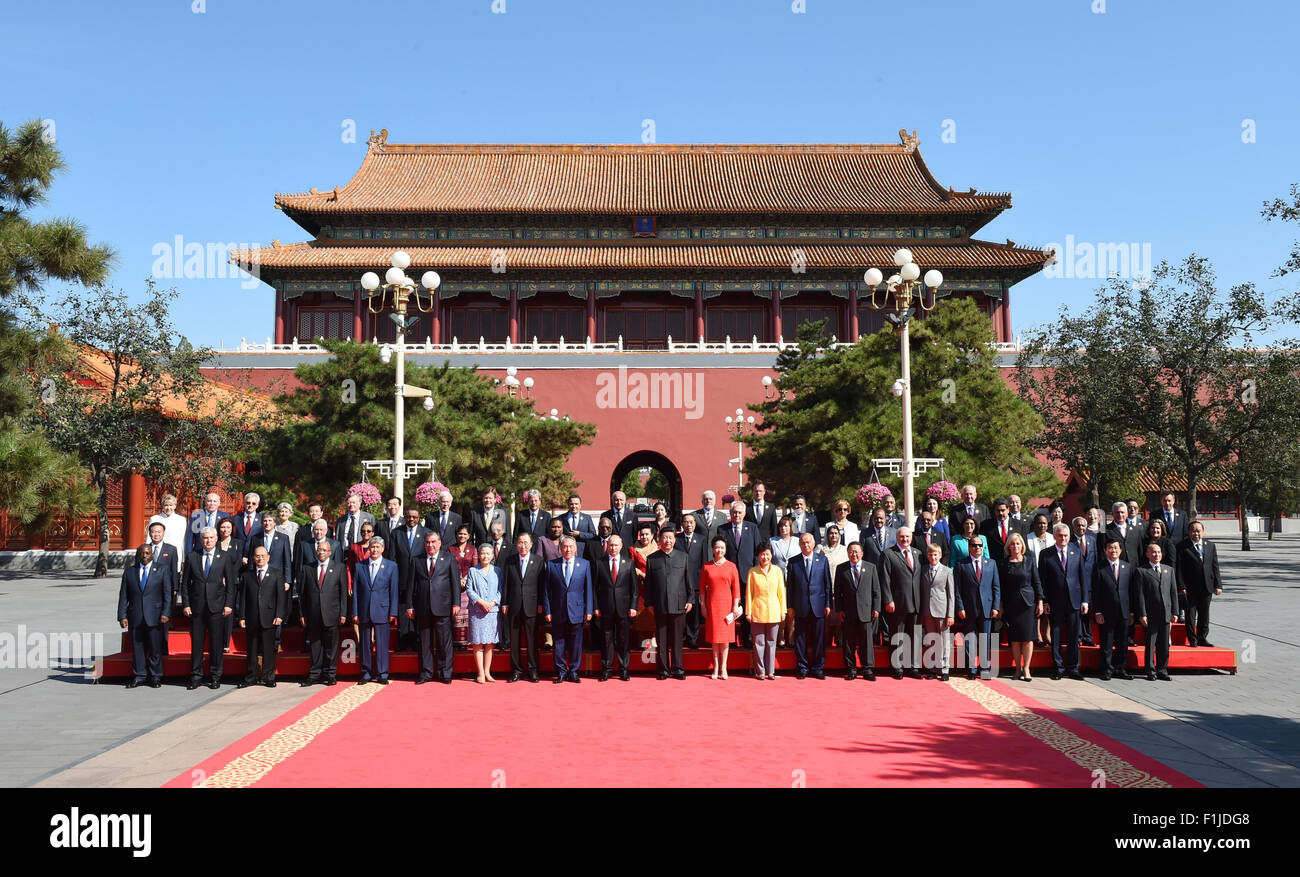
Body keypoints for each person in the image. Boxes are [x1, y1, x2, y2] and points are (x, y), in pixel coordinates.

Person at [180, 526, 234, 690]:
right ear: (200, 540)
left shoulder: (224, 557)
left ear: (216, 539)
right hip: (197, 607)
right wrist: (186, 603)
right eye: (205, 538)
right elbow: (185, 584)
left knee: (216, 645)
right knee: (197, 644)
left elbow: (231, 584)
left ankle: (215, 676)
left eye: (211, 538)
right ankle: (196, 676)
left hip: (217, 607)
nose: (208, 540)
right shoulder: (192, 557)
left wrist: (229, 604)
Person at [1038, 523, 1088, 680]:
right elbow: (1042, 580)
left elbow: (1083, 577)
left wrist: (1085, 600)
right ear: (1054, 536)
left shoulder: (1076, 551)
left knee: (1074, 636)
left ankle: (1073, 668)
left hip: (1074, 601)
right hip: (1055, 602)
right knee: (1056, 635)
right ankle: (1059, 668)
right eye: (1060, 535)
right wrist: (1045, 601)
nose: (1063, 538)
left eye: (1066, 535)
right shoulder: (1046, 554)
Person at [406, 532, 458, 684]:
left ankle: (445, 673)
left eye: (434, 542)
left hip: (443, 606)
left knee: (444, 642)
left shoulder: (449, 559)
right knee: (424, 642)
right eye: (428, 542)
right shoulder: (417, 560)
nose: (431, 545)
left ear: (440, 543)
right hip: (423, 607)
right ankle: (426, 673)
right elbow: (410, 586)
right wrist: (409, 605)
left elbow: (455, 583)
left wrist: (456, 603)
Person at [643, 528, 695, 679]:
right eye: (664, 538)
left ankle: (678, 669)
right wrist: (649, 603)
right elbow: (648, 585)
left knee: (677, 639)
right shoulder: (652, 559)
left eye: (670, 538)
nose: (668, 541)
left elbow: (689, 581)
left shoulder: (683, 557)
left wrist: (690, 600)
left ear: (675, 539)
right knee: (662, 639)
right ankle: (663, 670)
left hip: (679, 605)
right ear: (659, 539)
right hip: (659, 605)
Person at [117, 543, 170, 688]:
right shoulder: (130, 572)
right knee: (137, 648)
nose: (144, 556)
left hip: (155, 615)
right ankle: (139, 675)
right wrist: (122, 615)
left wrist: (166, 612)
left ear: (152, 554)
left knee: (155, 649)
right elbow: (123, 596)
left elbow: (167, 593)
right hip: (135, 616)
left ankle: (155, 676)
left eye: (147, 553)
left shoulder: (162, 569)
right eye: (142, 553)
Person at [298, 540, 348, 686]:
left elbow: (343, 593)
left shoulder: (339, 567)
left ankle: (330, 674)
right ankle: (314, 674)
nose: (321, 552)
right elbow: (302, 595)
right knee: (315, 645)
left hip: (332, 614)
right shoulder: (308, 568)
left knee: (331, 646)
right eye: (319, 550)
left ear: (330, 552)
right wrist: (302, 614)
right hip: (313, 615)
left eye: (324, 550)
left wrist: (343, 613)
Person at [544, 537, 593, 683]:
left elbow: (588, 589)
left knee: (576, 643)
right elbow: (546, 590)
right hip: (557, 609)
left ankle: (574, 671)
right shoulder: (552, 565)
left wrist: (588, 610)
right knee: (558, 642)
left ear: (576, 548)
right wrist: (547, 610)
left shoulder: (584, 564)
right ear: (560, 548)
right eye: (565, 547)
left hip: (577, 610)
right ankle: (560, 671)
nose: (568, 549)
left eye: (571, 546)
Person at [238, 545, 288, 688]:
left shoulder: (276, 574)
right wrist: (241, 617)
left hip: (270, 616)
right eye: (257, 556)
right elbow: (242, 599)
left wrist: (279, 615)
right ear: (253, 558)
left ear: (268, 557)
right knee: (251, 649)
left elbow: (281, 597)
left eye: (263, 555)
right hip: (251, 617)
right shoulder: (247, 576)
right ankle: (250, 677)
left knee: (268, 649)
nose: (260, 558)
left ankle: (269, 677)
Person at [351, 537, 399, 685]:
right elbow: (356, 592)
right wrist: (355, 612)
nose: (375, 550)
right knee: (365, 644)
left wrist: (393, 612)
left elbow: (394, 591)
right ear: (369, 549)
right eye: (372, 547)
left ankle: (382, 673)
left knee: (382, 643)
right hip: (364, 610)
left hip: (382, 610)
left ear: (382, 548)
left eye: (378, 547)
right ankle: (366, 673)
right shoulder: (360, 566)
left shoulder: (391, 566)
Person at [786, 532, 832, 679]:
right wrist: (790, 606)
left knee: (819, 638)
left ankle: (818, 668)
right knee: (800, 638)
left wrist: (828, 604)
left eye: (808, 542)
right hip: (800, 606)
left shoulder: (822, 560)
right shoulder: (793, 562)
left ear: (813, 544)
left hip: (819, 606)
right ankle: (802, 667)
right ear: (799, 545)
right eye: (803, 543)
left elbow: (827, 585)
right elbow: (790, 587)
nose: (806, 545)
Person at [955, 536, 1001, 680]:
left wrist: (995, 606)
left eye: (980, 545)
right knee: (969, 640)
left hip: (987, 608)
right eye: (974, 545)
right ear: (969, 547)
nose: (977, 548)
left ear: (983, 547)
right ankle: (971, 669)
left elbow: (996, 587)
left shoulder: (991, 563)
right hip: (968, 609)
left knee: (985, 639)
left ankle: (985, 668)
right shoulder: (961, 564)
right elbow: (957, 589)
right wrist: (960, 607)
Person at [880, 527, 924, 679]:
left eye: (907, 536)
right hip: (897, 603)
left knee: (915, 636)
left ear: (911, 538)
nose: (905, 539)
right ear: (897, 537)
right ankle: (897, 667)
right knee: (897, 636)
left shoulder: (918, 554)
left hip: (916, 603)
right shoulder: (888, 554)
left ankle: (913, 667)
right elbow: (884, 579)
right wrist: (888, 599)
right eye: (902, 537)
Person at [593, 534, 637, 681]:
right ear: (607, 546)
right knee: (606, 639)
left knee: (623, 639)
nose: (613, 548)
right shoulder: (600, 563)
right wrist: (596, 607)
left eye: (616, 545)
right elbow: (594, 588)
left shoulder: (629, 563)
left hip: (624, 608)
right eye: (611, 545)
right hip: (605, 608)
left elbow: (634, 589)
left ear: (621, 546)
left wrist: (633, 606)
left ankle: (624, 668)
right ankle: (607, 668)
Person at [1001, 532, 1045, 681]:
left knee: (1027, 638)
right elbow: (1001, 586)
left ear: (1022, 546)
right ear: (1009, 546)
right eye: (1012, 544)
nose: (1015, 546)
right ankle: (1017, 669)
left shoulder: (1030, 561)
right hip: (1011, 604)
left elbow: (1037, 582)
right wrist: (1001, 604)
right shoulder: (1004, 563)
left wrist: (1040, 601)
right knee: (1015, 639)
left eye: (1018, 543)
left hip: (1028, 604)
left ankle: (1026, 669)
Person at [835, 541, 881, 681]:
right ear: (847, 553)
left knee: (866, 642)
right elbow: (837, 592)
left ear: (862, 553)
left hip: (866, 611)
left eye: (856, 551)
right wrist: (840, 609)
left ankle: (867, 670)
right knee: (848, 643)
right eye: (851, 551)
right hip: (848, 611)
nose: (853, 554)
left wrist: (876, 608)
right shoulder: (841, 568)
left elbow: (876, 591)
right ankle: (851, 669)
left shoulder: (871, 567)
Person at [501, 532, 544, 682]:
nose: (523, 546)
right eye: (520, 542)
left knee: (532, 640)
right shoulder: (510, 561)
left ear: (532, 544)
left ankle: (533, 670)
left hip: (532, 605)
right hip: (513, 605)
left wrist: (540, 603)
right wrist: (504, 602)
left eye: (526, 543)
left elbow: (541, 585)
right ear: (516, 544)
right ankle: (516, 670)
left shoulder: (538, 561)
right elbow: (505, 583)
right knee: (514, 640)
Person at [1091, 537, 1134, 681]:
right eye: (1110, 548)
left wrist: (1132, 612)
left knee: (1122, 642)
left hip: (1124, 611)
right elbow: (1095, 591)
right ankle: (1106, 669)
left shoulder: (1127, 567)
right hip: (1106, 611)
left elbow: (1132, 591)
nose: (1113, 550)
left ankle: (1120, 669)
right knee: (1107, 642)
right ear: (1105, 550)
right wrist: (1097, 611)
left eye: (1116, 548)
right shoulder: (1099, 567)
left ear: (1120, 550)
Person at [718, 501, 759, 648]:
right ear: (730, 513)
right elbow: (720, 553)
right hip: (728, 576)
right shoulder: (722, 530)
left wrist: (754, 572)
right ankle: (731, 638)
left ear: (744, 513)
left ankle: (747, 638)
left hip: (747, 575)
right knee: (730, 608)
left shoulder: (753, 528)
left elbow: (757, 552)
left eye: (739, 512)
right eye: (734, 512)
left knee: (746, 607)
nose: (737, 515)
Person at [1134, 543, 1178, 681]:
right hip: (1150, 614)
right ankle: (1150, 671)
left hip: (1166, 612)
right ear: (1147, 554)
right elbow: (1139, 595)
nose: (1157, 555)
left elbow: (1173, 592)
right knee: (1151, 644)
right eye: (1153, 552)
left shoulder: (1168, 570)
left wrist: (1175, 612)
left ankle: (1162, 670)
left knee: (1164, 645)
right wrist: (1142, 614)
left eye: (1159, 552)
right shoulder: (1141, 571)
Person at [700, 537, 742, 680]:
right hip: (712, 605)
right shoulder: (706, 566)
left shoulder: (731, 566)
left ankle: (723, 667)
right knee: (714, 639)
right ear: (713, 549)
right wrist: (703, 606)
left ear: (726, 550)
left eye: (722, 548)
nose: (719, 550)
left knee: (724, 640)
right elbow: (701, 590)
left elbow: (736, 589)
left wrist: (735, 606)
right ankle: (715, 667)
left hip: (727, 605)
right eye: (717, 547)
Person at [1176, 521, 1223, 647]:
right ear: (1188, 532)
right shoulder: (1182, 546)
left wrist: (1218, 585)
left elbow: (1215, 566)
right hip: (1190, 587)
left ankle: (1202, 637)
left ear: (1203, 532)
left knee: (1204, 614)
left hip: (1207, 586)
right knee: (1190, 615)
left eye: (1198, 530)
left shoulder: (1210, 545)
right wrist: (1181, 586)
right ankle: (1192, 639)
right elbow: (1179, 568)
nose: (1196, 533)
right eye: (1193, 530)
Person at [746, 544, 786, 680]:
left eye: (767, 554)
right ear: (758, 556)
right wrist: (748, 612)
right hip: (757, 610)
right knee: (759, 643)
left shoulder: (777, 571)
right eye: (762, 554)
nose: (765, 557)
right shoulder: (753, 572)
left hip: (774, 611)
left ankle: (771, 671)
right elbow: (749, 594)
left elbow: (781, 592)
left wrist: (783, 610)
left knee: (772, 642)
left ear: (771, 555)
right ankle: (760, 671)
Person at [918, 543, 954, 681]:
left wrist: (950, 614)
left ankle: (945, 668)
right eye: (930, 554)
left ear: (940, 555)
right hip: (927, 610)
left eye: (935, 554)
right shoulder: (923, 570)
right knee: (931, 640)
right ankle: (932, 668)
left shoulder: (947, 571)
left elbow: (951, 595)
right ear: (927, 555)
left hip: (942, 610)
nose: (933, 557)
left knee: (944, 641)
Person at [466, 543, 501, 683]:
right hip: (477, 611)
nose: (485, 556)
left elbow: (500, 590)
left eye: (488, 553)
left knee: (490, 643)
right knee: (478, 643)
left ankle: (487, 672)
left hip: (492, 612)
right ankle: (480, 672)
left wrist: (492, 603)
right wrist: (481, 602)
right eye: (482, 553)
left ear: (492, 556)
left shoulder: (497, 570)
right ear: (478, 555)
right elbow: (469, 590)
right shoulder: (473, 571)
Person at [677, 512, 708, 649]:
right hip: (679, 582)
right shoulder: (676, 539)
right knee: (681, 611)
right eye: (686, 522)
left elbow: (704, 561)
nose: (689, 525)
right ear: (682, 524)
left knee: (694, 614)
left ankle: (692, 638)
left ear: (695, 524)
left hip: (695, 582)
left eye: (691, 522)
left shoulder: (701, 539)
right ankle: (681, 637)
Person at [769, 515, 800, 647]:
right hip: (778, 580)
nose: (783, 528)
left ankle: (791, 637)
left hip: (794, 580)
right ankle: (780, 637)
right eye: (781, 525)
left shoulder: (797, 541)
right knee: (780, 610)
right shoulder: (773, 541)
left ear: (790, 527)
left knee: (792, 610)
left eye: (786, 525)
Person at [817, 523, 848, 646]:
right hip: (824, 588)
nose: (833, 535)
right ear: (827, 535)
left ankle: (839, 639)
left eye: (836, 533)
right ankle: (825, 641)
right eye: (831, 533)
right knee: (826, 617)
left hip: (840, 587)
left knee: (839, 616)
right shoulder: (821, 549)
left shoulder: (844, 549)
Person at [1071, 516, 1099, 646]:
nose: (1081, 528)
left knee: (1088, 612)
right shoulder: (1069, 542)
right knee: (1077, 611)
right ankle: (1077, 637)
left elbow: (1096, 561)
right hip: (1075, 583)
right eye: (1078, 526)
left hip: (1090, 582)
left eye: (1083, 525)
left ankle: (1088, 637)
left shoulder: (1092, 540)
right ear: (1073, 527)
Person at [449, 524, 476, 647]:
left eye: (465, 534)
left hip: (468, 585)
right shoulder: (450, 549)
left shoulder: (473, 549)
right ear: (456, 534)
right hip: (454, 585)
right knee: (456, 613)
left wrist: (465, 579)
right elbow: (448, 566)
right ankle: (456, 641)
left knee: (466, 613)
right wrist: (458, 579)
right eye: (460, 533)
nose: (462, 536)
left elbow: (475, 567)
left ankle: (465, 641)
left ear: (469, 536)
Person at [148, 493, 187, 573]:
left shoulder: (181, 520)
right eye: (166, 505)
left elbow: (183, 540)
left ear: (175, 506)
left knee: (174, 579)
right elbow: (149, 539)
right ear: (162, 506)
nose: (168, 508)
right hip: (158, 553)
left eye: (171, 505)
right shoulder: (155, 519)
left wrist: (183, 559)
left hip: (175, 554)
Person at [1103, 501, 1144, 566]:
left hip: (1134, 568)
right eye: (1117, 512)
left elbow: (1140, 551)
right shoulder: (1105, 531)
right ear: (1112, 514)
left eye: (1122, 512)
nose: (1120, 515)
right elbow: (1102, 552)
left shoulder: (1136, 530)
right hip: (1115, 569)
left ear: (1127, 514)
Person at [979, 498, 1015, 563]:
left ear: (1008, 510)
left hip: (1014, 563)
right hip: (993, 563)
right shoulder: (985, 525)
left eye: (1003, 510)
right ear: (994, 511)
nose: (1000, 513)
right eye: (998, 510)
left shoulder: (1019, 524)